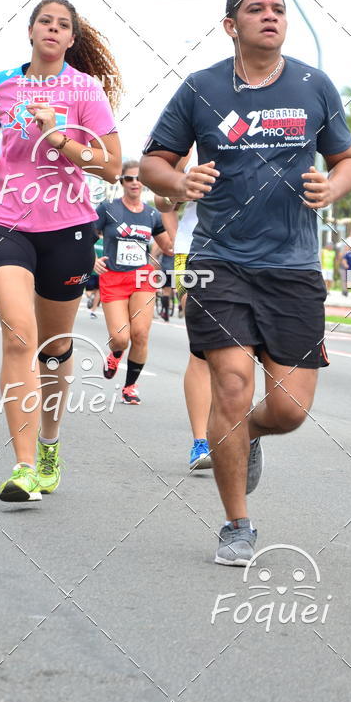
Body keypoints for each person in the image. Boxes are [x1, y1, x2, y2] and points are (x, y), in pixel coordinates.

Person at [140, 0, 351, 565]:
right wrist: (179, 180)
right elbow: (152, 162)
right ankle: (237, 524)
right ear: (231, 25)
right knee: (232, 388)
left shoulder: (315, 86)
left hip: (292, 268)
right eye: (256, 9)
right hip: (219, 263)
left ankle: (247, 437)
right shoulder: (202, 87)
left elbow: (347, 159)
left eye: (278, 9)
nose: (271, 16)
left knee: (288, 409)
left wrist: (331, 185)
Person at [0, 0, 122, 501]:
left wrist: (59, 139)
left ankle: (49, 444)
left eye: (64, 25)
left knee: (53, 351)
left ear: (71, 39)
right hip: (3, 222)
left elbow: (110, 163)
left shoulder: (85, 90)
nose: (53, 30)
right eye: (46, 21)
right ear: (32, 29)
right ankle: (22, 468)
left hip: (68, 228)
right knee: (19, 337)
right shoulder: (1, 84)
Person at [154, 147, 213, 470]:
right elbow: (162, 202)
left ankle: (232, 427)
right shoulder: (187, 145)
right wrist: (180, 186)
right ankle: (201, 442)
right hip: (196, 252)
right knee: (203, 348)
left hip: (255, 252)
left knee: (242, 350)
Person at [95, 162, 172, 404]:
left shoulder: (152, 214)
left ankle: (130, 387)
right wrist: (92, 260)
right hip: (114, 278)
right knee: (120, 338)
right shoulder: (108, 209)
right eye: (129, 179)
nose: (135, 183)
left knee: (140, 334)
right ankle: (116, 353)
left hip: (142, 278)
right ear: (122, 182)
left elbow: (168, 244)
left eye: (139, 178)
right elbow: (86, 237)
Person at [85, 235, 104, 318]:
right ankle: (93, 311)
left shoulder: (93, 240)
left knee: (88, 291)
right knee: (98, 291)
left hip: (91, 270)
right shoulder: (107, 242)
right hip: (102, 271)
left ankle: (90, 296)